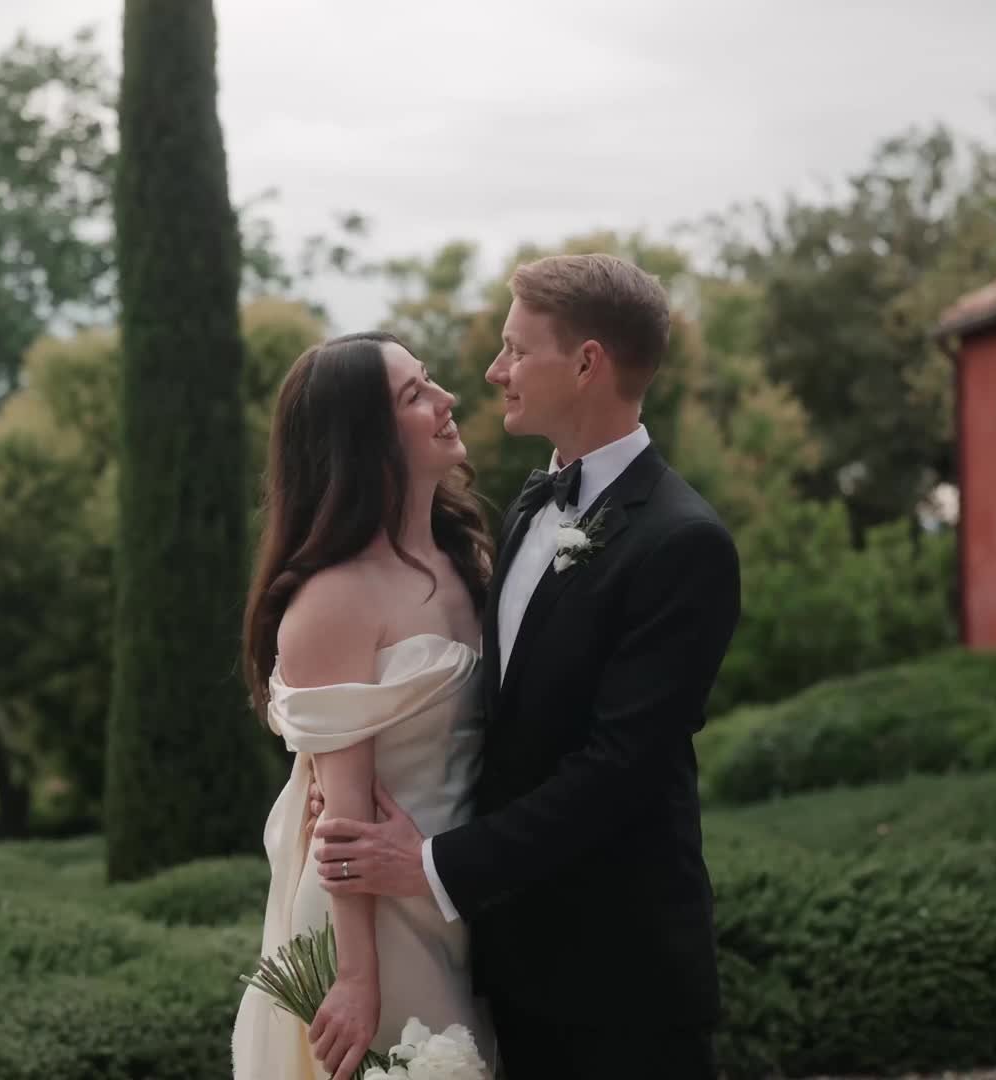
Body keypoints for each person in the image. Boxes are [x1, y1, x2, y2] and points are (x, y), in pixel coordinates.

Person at [310, 254, 742, 1079]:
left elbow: (619, 770)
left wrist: (432, 866)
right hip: (504, 961)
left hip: (621, 973)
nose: (492, 370)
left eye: (515, 349)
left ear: (586, 363)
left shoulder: (684, 544)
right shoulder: (525, 506)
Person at [231, 331, 500, 1080]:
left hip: (456, 888)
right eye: (415, 395)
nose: (446, 401)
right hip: (375, 920)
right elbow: (343, 821)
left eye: (430, 381)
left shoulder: (468, 558)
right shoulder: (332, 600)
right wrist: (356, 979)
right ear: (363, 440)